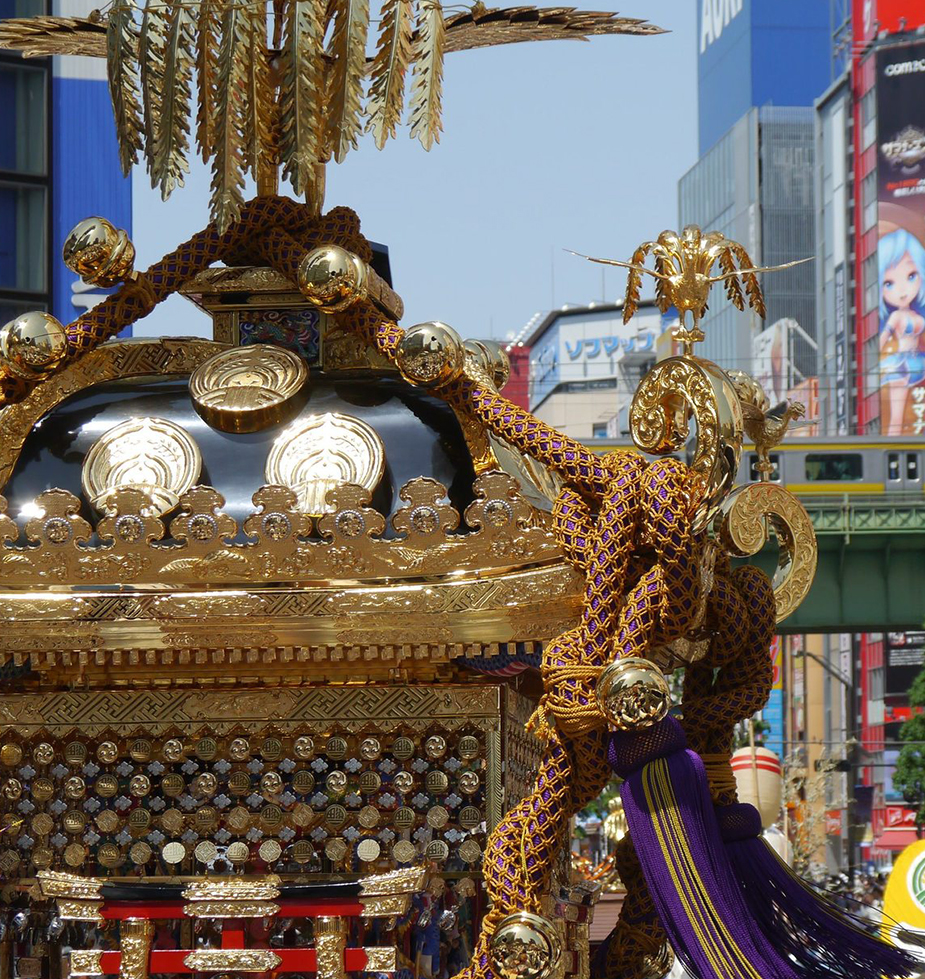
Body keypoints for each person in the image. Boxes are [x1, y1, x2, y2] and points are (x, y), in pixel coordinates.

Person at [879, 229, 925, 435]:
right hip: (899, 364)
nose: (902, 289)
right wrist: (873, 361)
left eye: (911, 276)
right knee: (896, 418)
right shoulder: (895, 317)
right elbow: (881, 340)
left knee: (910, 414)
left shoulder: (916, 315)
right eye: (889, 283)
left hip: (918, 362)